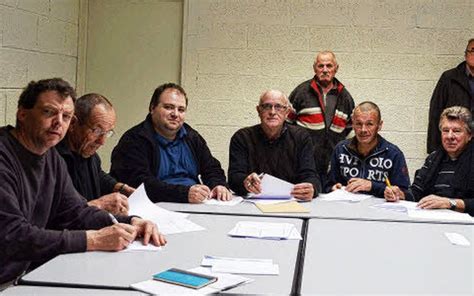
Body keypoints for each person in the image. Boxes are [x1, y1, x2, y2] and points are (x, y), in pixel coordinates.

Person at [0, 78, 166, 287]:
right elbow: (12, 236)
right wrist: (94, 239)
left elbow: (76, 212)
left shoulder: (51, 158)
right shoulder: (4, 156)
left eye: (66, 116)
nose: (59, 122)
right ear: (22, 113)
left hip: (23, 275)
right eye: (49, 112)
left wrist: (129, 222)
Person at [111, 83, 231, 203]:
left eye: (181, 109)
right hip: (153, 206)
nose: (175, 114)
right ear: (152, 108)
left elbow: (212, 168)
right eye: (168, 107)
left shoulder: (192, 137)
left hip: (194, 204)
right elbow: (139, 184)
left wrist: (218, 185)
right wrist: (184, 194)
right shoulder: (134, 140)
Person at [228, 90, 320, 200]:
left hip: (291, 204)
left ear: (287, 112)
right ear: (258, 110)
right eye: (267, 106)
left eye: (278, 107)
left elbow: (310, 175)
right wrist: (245, 181)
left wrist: (311, 188)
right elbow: (234, 178)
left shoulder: (301, 137)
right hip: (252, 203)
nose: (272, 112)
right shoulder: (242, 137)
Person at [56, 93, 133, 215]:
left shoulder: (90, 155)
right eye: (97, 131)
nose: (102, 141)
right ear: (73, 124)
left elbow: (98, 175)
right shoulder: (53, 160)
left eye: (107, 133)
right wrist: (100, 205)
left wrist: (120, 188)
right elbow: (58, 215)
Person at [388, 106, 474, 216]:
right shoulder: (433, 158)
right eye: (445, 130)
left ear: (470, 135)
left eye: (457, 131)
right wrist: (400, 194)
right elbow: (416, 193)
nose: (450, 136)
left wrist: (450, 203)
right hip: (433, 219)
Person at [288, 50, 355, 184]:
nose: (325, 70)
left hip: (333, 167)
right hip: (302, 164)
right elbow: (287, 126)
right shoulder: (300, 92)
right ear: (315, 68)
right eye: (320, 66)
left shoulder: (345, 97)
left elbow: (351, 134)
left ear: (336, 68)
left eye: (329, 66)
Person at [326, 101, 410, 199]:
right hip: (346, 210)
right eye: (358, 124)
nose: (363, 130)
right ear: (352, 124)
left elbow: (407, 194)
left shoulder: (393, 154)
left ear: (379, 125)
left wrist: (372, 186)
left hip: (379, 212)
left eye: (369, 124)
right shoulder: (341, 149)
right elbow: (327, 185)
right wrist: (333, 188)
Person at [427, 38, 474, 153]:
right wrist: (433, 150)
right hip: (455, 146)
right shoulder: (449, 78)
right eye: (472, 50)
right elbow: (435, 113)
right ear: (465, 54)